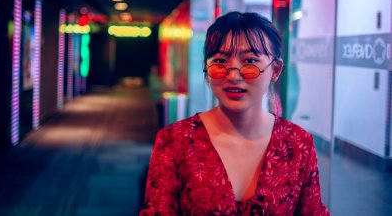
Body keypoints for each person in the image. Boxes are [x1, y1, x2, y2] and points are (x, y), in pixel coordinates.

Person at [140, 12, 330, 215]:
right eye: (220, 61)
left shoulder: (298, 144)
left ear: (276, 69)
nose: (233, 75)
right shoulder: (175, 141)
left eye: (250, 61)